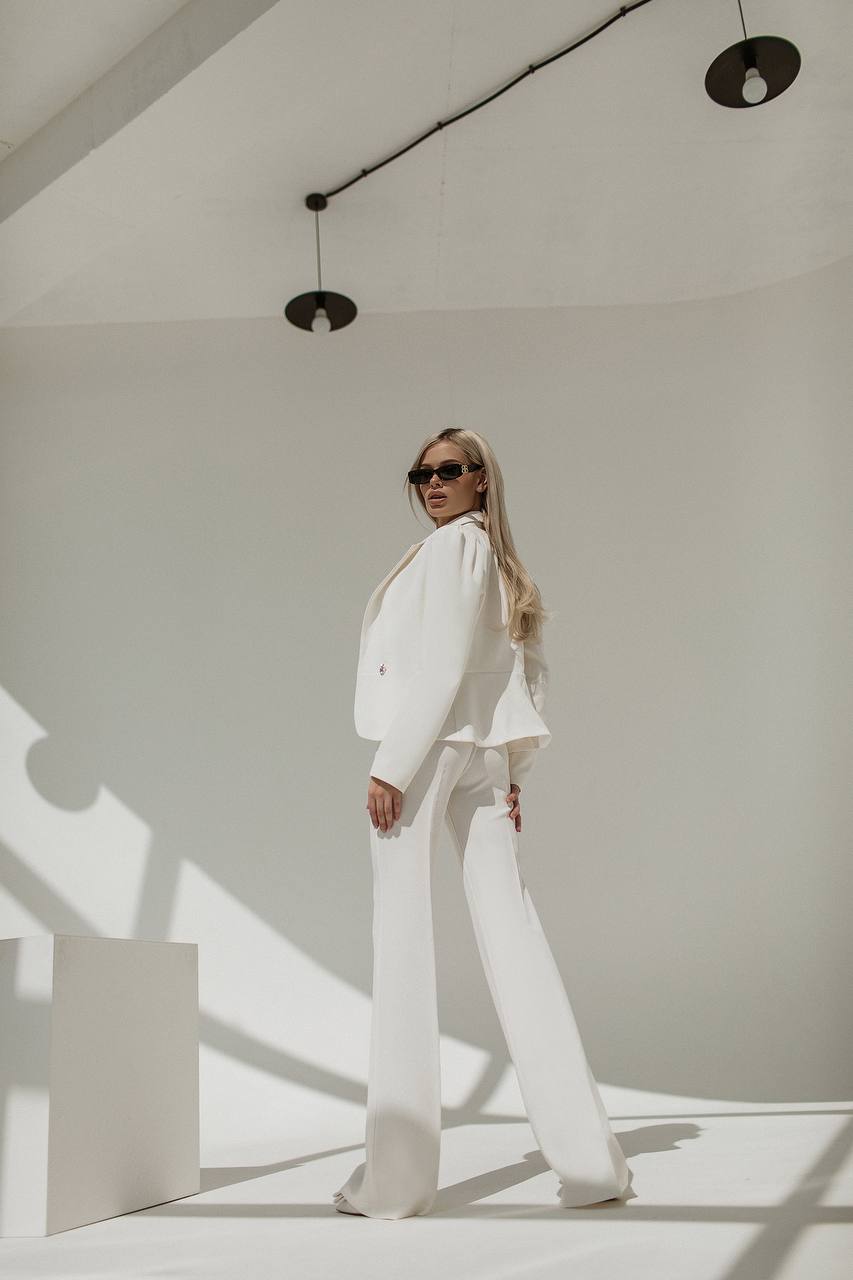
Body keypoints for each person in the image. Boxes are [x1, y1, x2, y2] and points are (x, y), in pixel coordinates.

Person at [333, 426, 634, 1219]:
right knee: (516, 938)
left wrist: (391, 765)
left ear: (481, 481)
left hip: (427, 752)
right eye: (421, 473)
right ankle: (590, 1163)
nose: (432, 483)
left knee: (401, 946)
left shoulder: (449, 552)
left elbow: (436, 670)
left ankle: (394, 1182)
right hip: (483, 757)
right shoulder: (499, 562)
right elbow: (523, 673)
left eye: (449, 470)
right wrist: (513, 771)